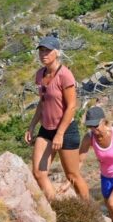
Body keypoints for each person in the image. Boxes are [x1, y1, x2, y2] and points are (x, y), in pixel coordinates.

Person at [24, 36, 89, 200]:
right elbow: (42, 102)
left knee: (72, 176)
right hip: (46, 129)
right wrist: (31, 126)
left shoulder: (65, 75)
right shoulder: (40, 74)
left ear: (57, 52)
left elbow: (71, 106)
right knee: (38, 173)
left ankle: (90, 210)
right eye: (41, 51)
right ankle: (55, 208)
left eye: (47, 50)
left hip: (66, 131)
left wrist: (60, 134)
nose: (43, 54)